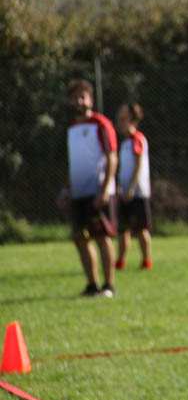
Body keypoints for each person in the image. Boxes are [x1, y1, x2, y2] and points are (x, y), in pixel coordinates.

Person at [57, 79, 118, 298]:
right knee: (79, 238)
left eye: (82, 97)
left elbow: (112, 157)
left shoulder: (101, 124)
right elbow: (74, 164)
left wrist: (104, 189)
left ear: (90, 100)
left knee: (102, 237)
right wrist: (66, 190)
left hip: (97, 192)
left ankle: (109, 286)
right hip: (78, 193)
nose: (78, 101)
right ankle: (92, 285)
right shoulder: (72, 129)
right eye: (74, 98)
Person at [114, 102, 153, 270]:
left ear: (132, 120)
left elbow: (138, 166)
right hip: (124, 192)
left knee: (141, 229)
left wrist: (131, 188)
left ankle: (146, 261)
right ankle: (120, 260)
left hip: (137, 193)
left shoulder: (137, 139)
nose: (120, 123)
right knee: (123, 229)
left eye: (124, 119)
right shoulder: (124, 143)